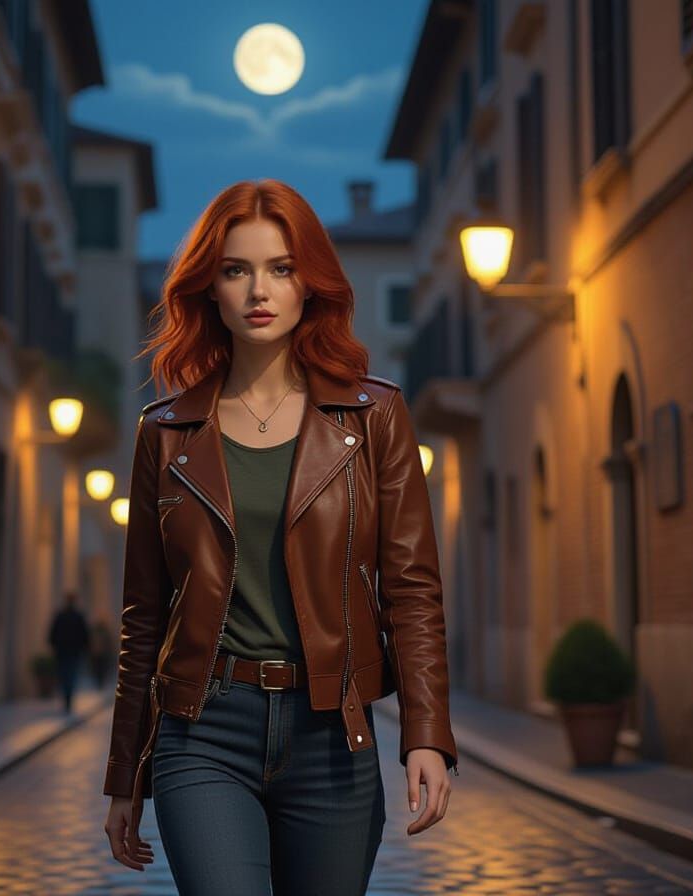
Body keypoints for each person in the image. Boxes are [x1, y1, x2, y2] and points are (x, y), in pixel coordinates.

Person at [103, 179, 457, 895]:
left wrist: (427, 732)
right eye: (236, 270)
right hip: (203, 730)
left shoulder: (372, 418)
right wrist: (124, 777)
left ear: (310, 285)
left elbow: (413, 589)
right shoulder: (163, 433)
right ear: (210, 289)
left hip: (332, 734)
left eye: (281, 268)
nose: (258, 290)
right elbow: (144, 614)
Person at [46, 591, 90, 714]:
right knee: (71, 675)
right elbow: (85, 636)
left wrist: (54, 645)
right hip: (73, 652)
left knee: (65, 675)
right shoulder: (77, 616)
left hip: (63, 652)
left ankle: (67, 699)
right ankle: (68, 699)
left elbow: (52, 634)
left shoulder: (61, 616)